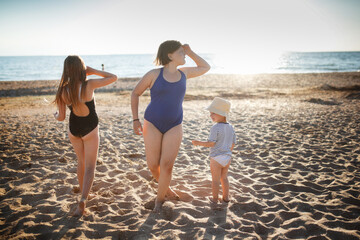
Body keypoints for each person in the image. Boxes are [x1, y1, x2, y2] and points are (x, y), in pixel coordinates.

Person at [131, 40, 210, 212]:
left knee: (166, 165)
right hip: (152, 123)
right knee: (153, 165)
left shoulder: (184, 73)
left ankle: (159, 201)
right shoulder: (153, 74)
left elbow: (205, 67)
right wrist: (135, 120)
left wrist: (190, 52)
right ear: (170, 55)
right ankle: (167, 189)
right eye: (181, 52)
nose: (184, 55)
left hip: (174, 124)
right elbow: (135, 93)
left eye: (184, 53)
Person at [54, 55, 117, 216]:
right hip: (90, 128)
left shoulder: (63, 90)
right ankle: (83, 199)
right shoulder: (90, 84)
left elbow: (61, 117)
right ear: (82, 69)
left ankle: (83, 191)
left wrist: (55, 115)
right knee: (90, 166)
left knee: (81, 162)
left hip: (74, 129)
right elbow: (113, 77)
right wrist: (92, 71)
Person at [192, 97, 236, 204]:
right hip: (227, 157)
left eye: (213, 113)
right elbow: (233, 143)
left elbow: (211, 143)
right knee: (224, 178)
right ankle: (225, 198)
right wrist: (227, 152)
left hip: (216, 157)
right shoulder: (231, 127)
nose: (210, 115)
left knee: (215, 180)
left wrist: (198, 143)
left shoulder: (215, 127)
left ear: (221, 114)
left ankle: (215, 199)